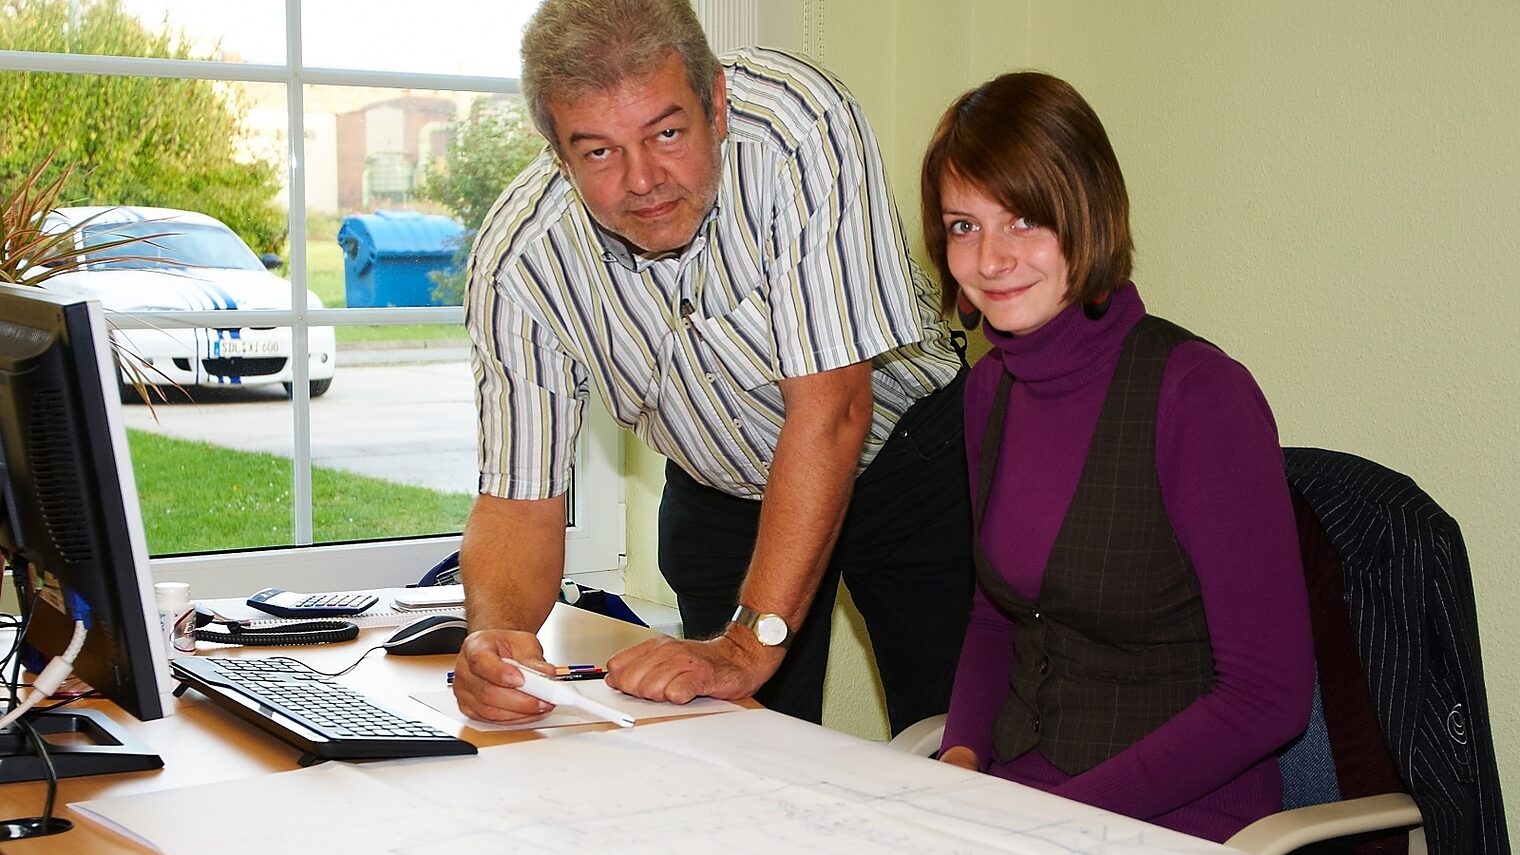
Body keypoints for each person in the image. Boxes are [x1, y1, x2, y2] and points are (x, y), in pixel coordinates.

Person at [451, 0, 972, 735]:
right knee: (730, 747)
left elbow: (833, 410)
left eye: (666, 133)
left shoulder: (797, 128)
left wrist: (745, 644)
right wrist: (497, 640)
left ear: (717, 103)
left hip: (907, 458)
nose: (643, 180)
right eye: (598, 151)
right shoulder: (519, 263)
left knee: (959, 740)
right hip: (720, 489)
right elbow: (517, 496)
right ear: (557, 154)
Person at [920, 71, 1314, 842]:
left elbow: (1268, 695)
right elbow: (996, 614)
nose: (992, 258)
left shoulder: (1200, 395)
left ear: (1090, 216)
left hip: (1183, 817)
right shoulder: (989, 390)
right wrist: (961, 759)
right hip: (1021, 806)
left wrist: (1050, 817)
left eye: (1025, 219)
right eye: (964, 226)